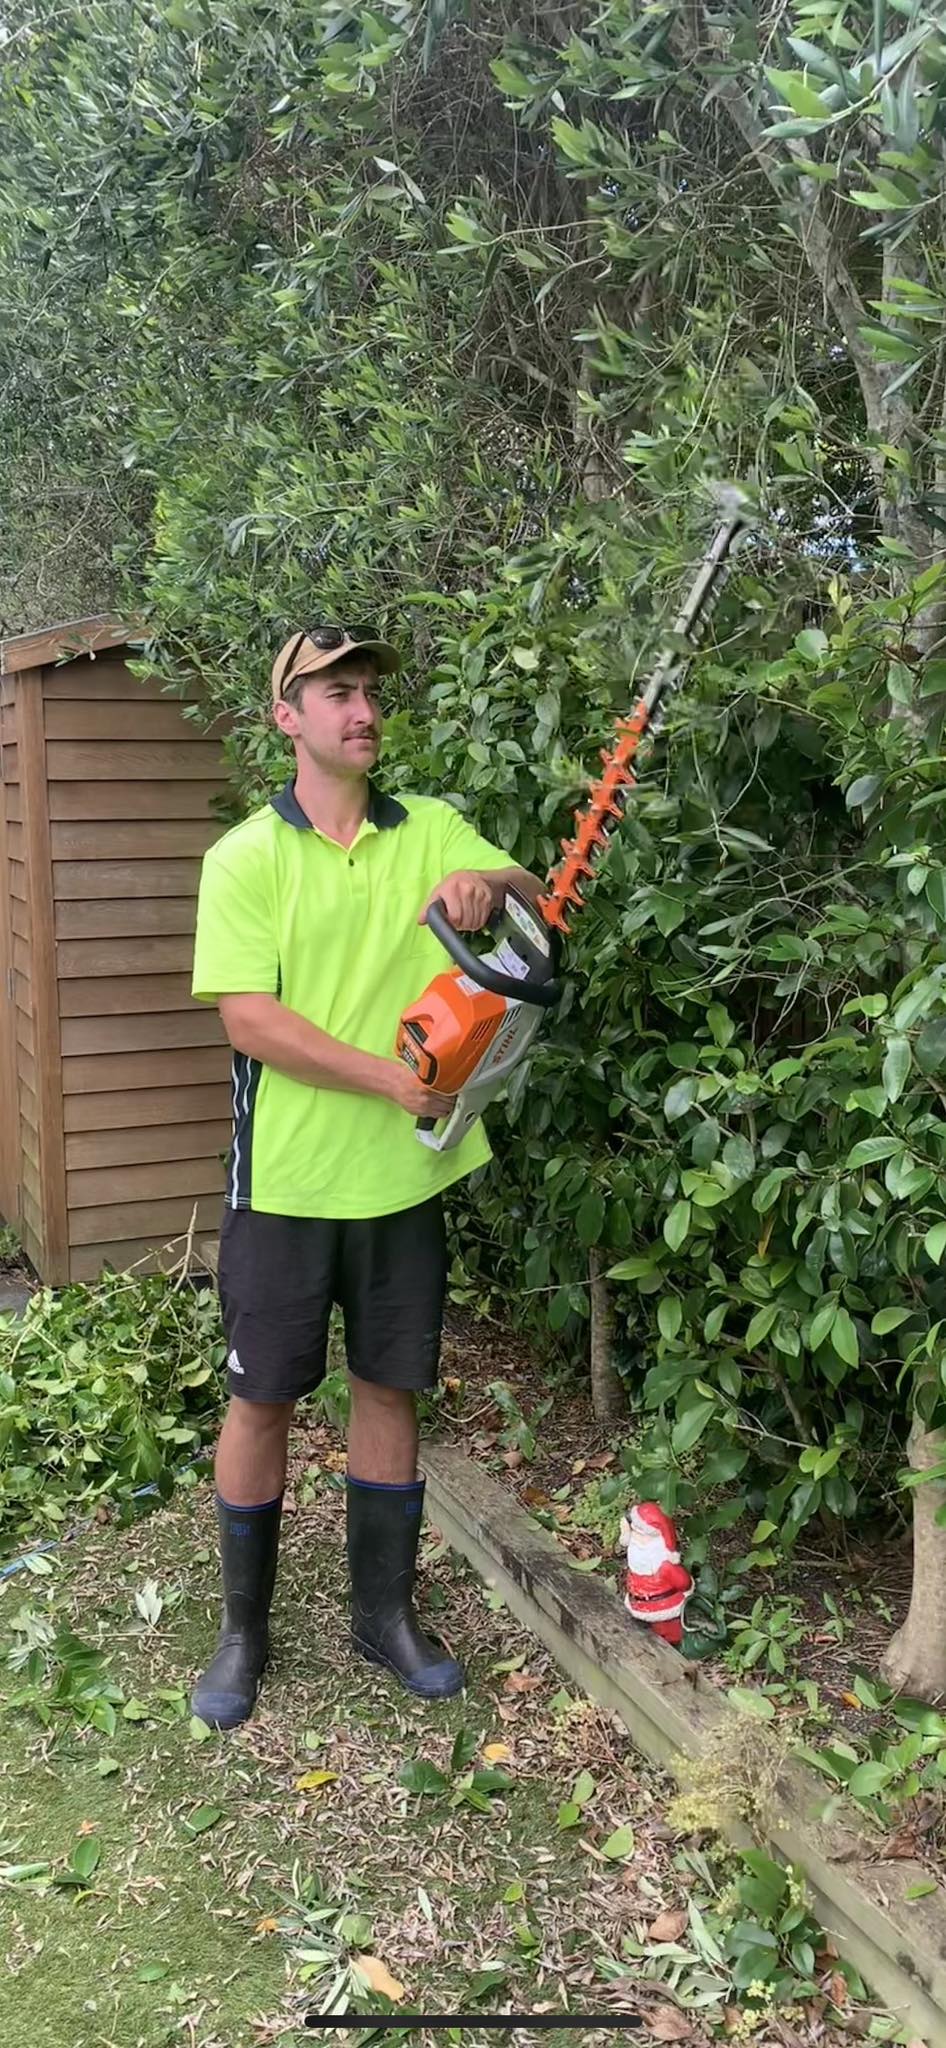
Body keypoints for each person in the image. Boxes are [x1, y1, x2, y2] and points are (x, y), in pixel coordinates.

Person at [189, 625, 544, 1729]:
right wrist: (389, 1080)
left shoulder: (428, 826)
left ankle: (382, 1617)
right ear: (285, 717)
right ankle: (243, 1631)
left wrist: (484, 880)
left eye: (369, 692)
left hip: (405, 1181)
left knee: (390, 1388)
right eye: (335, 692)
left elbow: (533, 886)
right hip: (286, 1183)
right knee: (262, 1397)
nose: (362, 710)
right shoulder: (246, 856)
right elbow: (251, 1021)